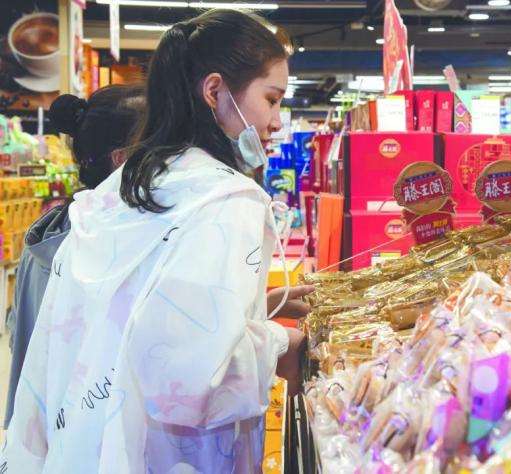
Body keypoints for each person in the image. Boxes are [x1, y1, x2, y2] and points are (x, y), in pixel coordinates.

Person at [2, 9, 311, 473]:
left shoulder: (122, 187)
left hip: (89, 444)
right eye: (271, 99)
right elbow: (194, 375)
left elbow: (142, 316)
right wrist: (282, 345)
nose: (276, 122)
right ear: (214, 91)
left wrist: (254, 308)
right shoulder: (227, 198)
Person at [4, 84, 144, 429]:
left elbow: (18, 327)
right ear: (123, 158)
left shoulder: (52, 230)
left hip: (48, 434)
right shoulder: (115, 244)